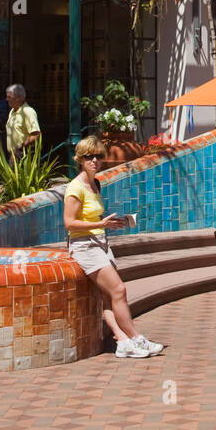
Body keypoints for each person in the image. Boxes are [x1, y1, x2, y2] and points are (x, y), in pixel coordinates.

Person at [63, 135, 163, 359]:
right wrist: (100, 224)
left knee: (109, 296)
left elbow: (92, 217)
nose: (95, 160)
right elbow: (69, 222)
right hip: (84, 246)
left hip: (99, 242)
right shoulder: (75, 187)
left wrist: (112, 224)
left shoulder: (95, 183)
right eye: (89, 157)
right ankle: (137, 338)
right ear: (80, 159)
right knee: (119, 290)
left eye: (99, 156)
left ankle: (123, 341)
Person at [4, 84, 41, 160]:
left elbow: (36, 135)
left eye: (9, 97)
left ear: (18, 97)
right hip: (13, 154)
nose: (7, 99)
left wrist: (20, 149)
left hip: (23, 155)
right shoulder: (12, 111)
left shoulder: (28, 112)